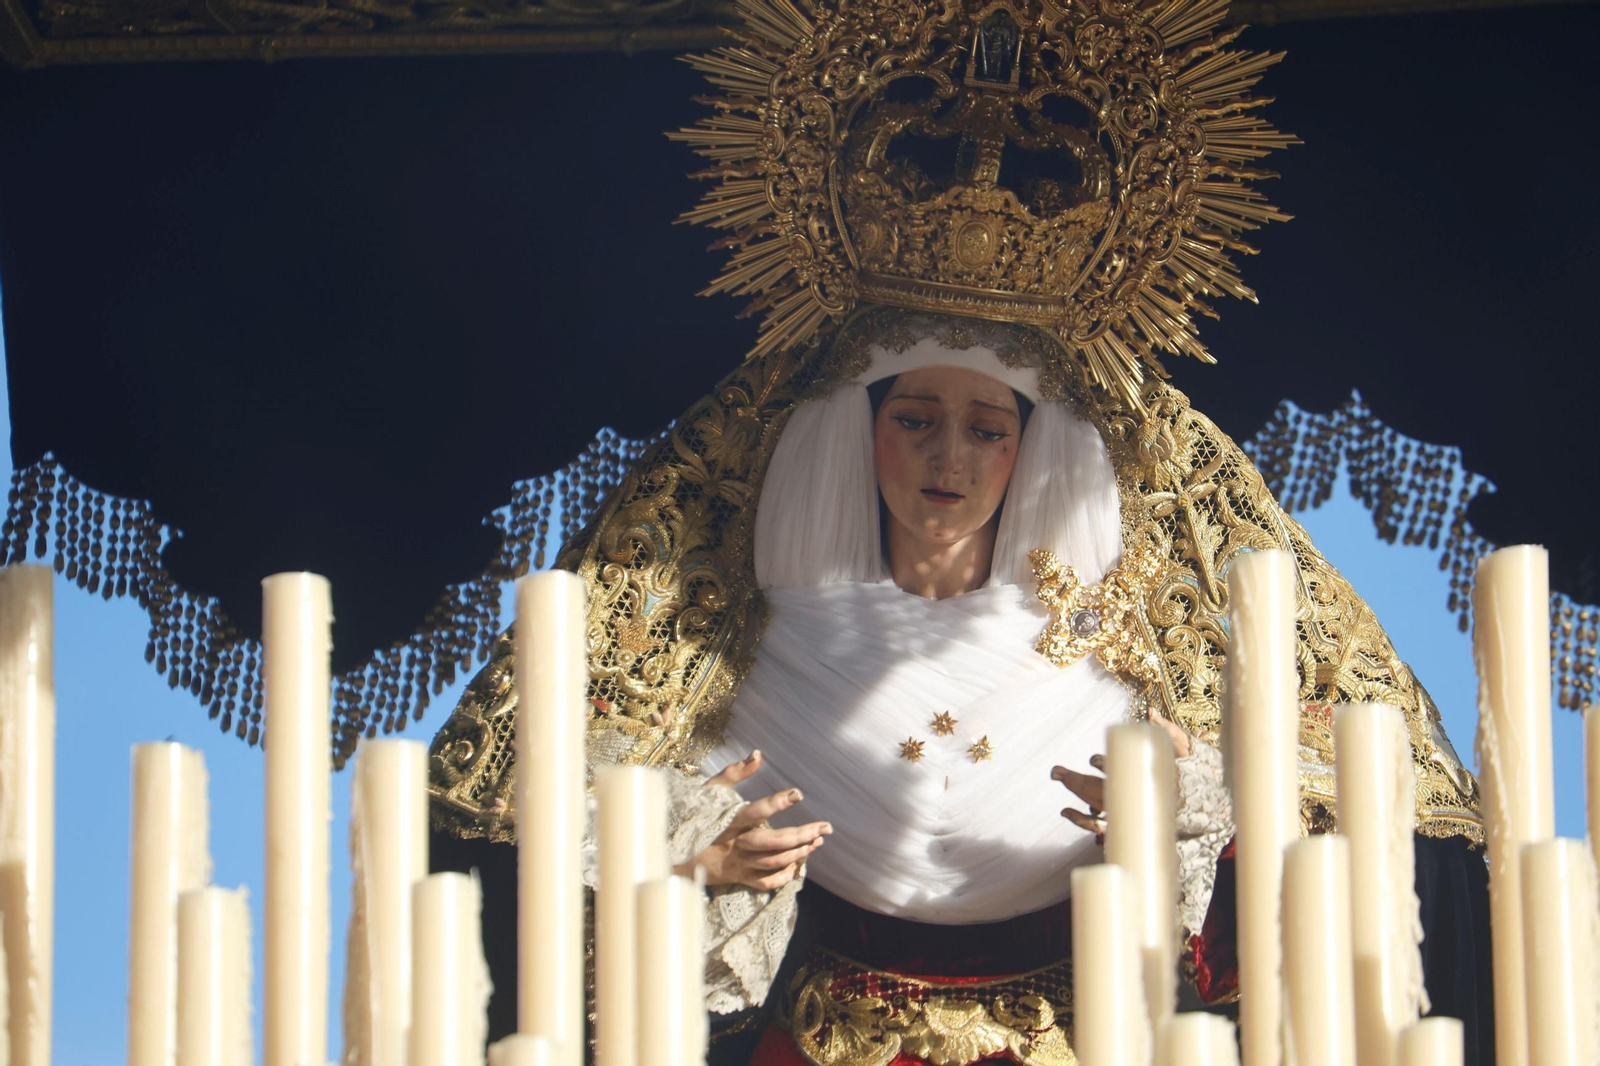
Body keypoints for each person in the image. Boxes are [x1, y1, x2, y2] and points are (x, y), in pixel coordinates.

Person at [426, 0, 1494, 1059]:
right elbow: (510, 825)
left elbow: (1370, 842)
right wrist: (684, 851)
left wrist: (1198, 812)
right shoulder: (744, 630)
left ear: (1029, 452)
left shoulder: (1133, 630)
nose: (947, 459)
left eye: (985, 429)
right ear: (862, 427)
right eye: (915, 419)